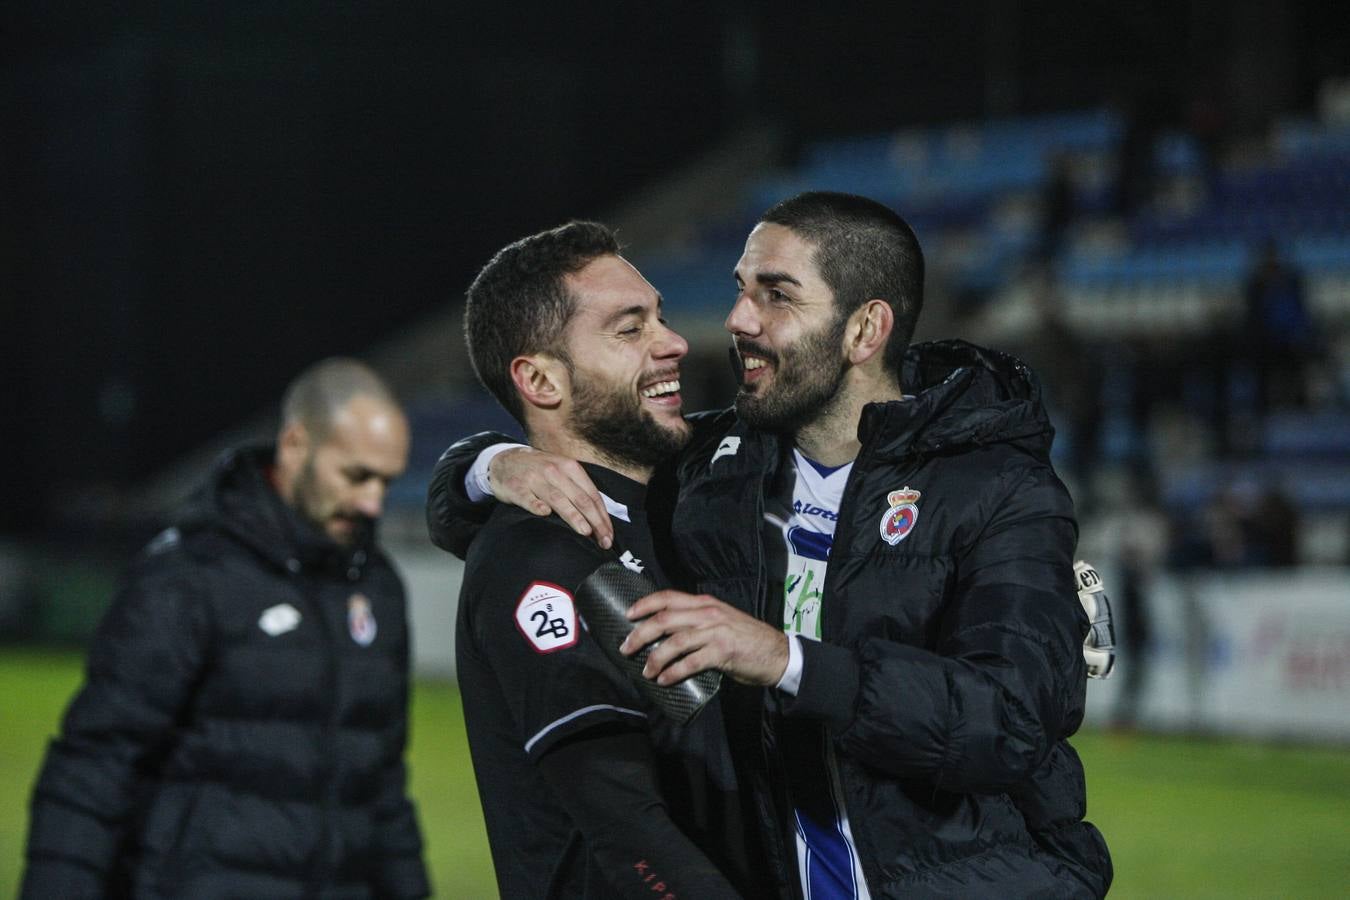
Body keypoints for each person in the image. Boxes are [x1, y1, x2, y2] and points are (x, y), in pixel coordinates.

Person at [431, 192, 1114, 898]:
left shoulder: (998, 490)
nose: (735, 322)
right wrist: (488, 466)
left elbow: (1009, 724)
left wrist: (781, 657)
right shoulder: (719, 467)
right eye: (740, 290)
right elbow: (559, 471)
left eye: (776, 296)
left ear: (863, 330)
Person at [22, 359, 430, 900]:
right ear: (295, 444)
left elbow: (379, 782)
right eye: (357, 475)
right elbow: (97, 762)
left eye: (386, 480)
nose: (373, 502)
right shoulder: (188, 575)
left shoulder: (377, 585)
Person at [447, 220, 757, 898]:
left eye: (660, 318)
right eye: (629, 329)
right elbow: (625, 827)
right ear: (540, 379)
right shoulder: (540, 555)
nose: (674, 343)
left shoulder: (674, 513)